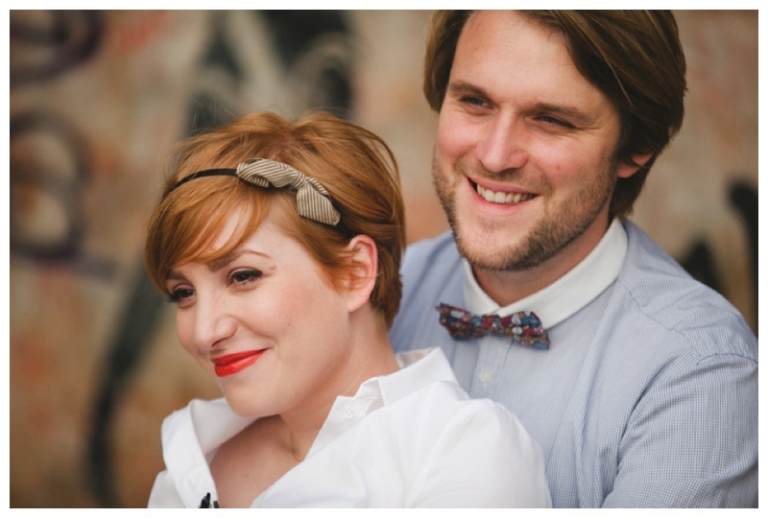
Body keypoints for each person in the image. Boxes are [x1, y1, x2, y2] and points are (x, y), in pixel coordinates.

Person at [390, 10, 757, 508]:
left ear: (637, 147)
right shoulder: (389, 289)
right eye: (475, 102)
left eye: (551, 120)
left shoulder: (700, 376)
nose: (496, 156)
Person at [144, 111, 551, 508]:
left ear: (355, 273)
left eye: (243, 276)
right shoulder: (199, 455)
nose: (203, 332)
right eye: (183, 293)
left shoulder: (461, 453)